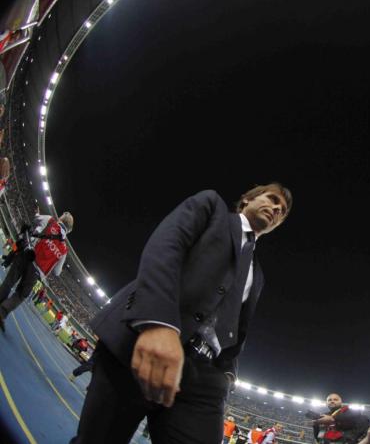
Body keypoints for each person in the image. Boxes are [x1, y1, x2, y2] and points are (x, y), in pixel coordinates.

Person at [72, 184, 292, 444]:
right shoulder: (212, 209)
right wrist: (159, 324)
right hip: (141, 345)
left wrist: (227, 374)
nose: (276, 209)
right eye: (272, 199)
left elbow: (238, 328)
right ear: (246, 201)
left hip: (202, 377)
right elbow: (166, 248)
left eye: (282, 211)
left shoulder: (258, 275)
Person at [0, 212, 73, 332]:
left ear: (60, 218)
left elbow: (35, 219)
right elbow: (57, 272)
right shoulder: (64, 249)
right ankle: (2, 312)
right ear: (68, 231)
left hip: (27, 255)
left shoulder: (50, 220)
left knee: (9, 282)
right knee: (21, 295)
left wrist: (38, 215)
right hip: (36, 272)